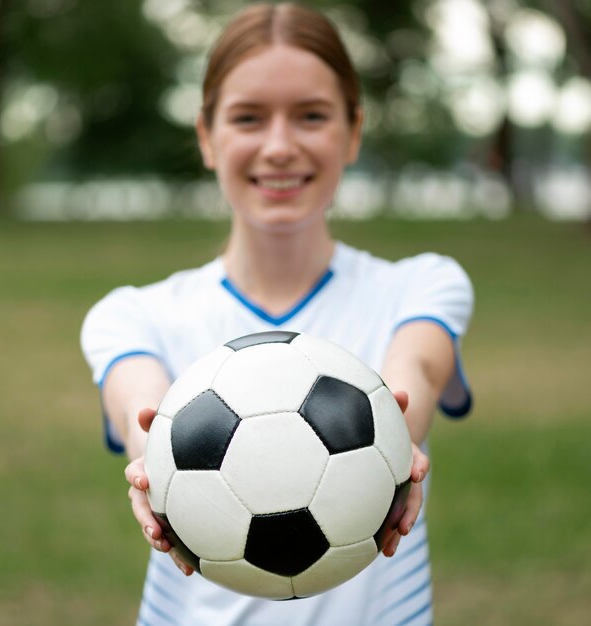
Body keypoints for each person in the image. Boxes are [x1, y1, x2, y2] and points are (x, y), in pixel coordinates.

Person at [81, 3, 473, 625]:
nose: (280, 146)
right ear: (207, 137)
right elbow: (142, 415)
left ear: (353, 131)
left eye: (312, 115)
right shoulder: (131, 316)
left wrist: (398, 448)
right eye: (248, 118)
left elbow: (414, 380)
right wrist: (149, 466)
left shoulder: (422, 286)